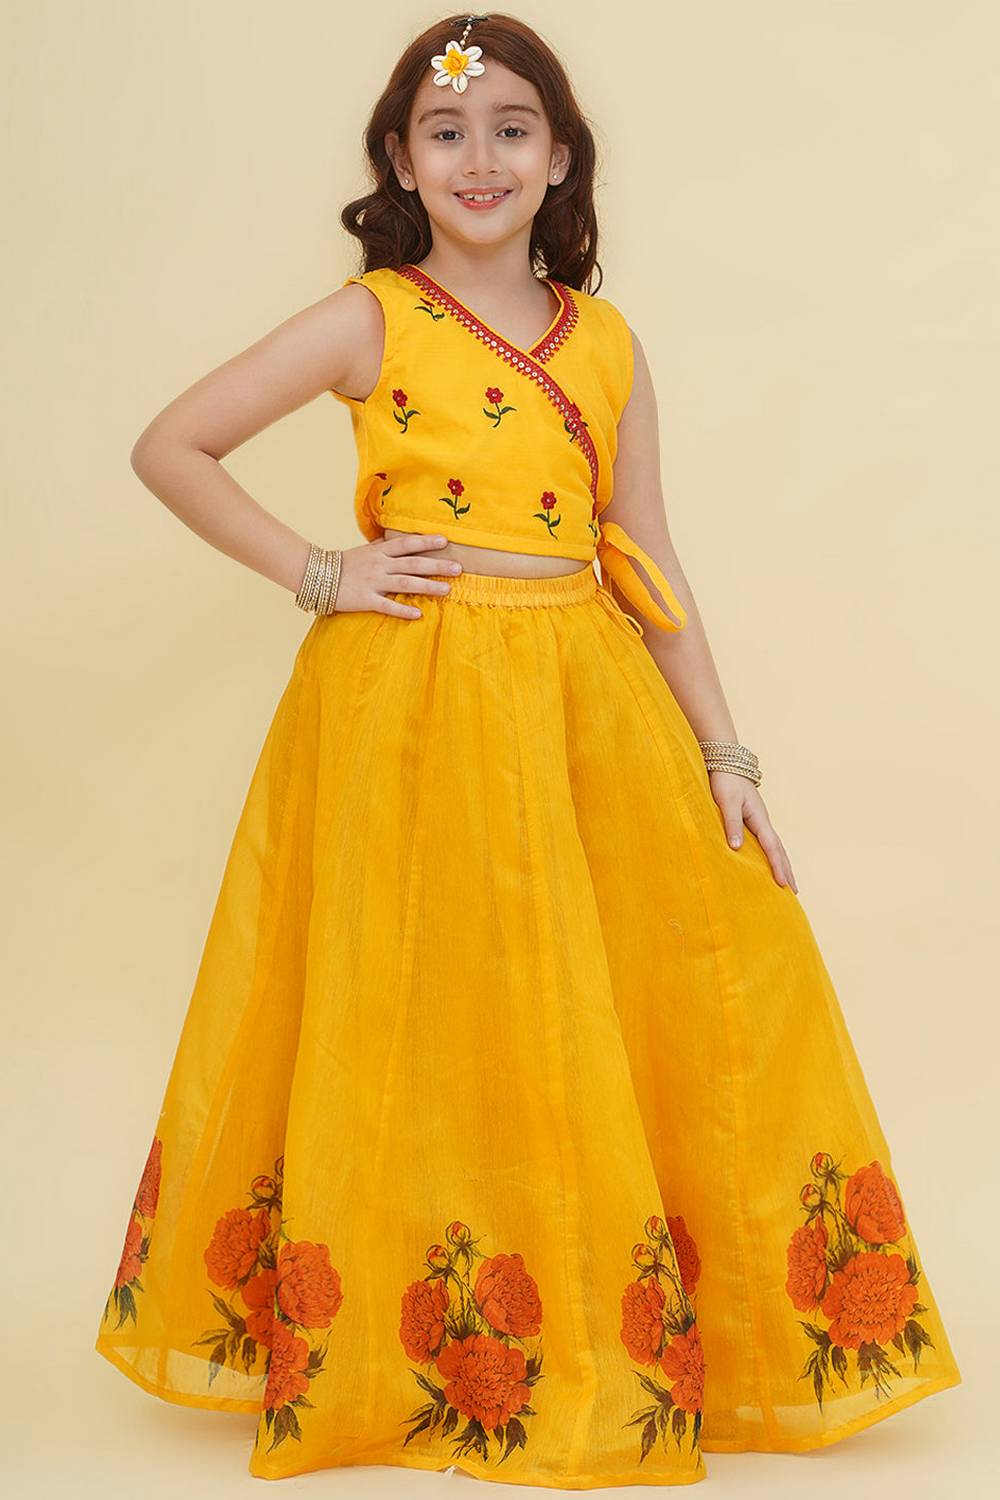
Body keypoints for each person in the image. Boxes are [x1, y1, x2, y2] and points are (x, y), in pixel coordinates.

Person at [94, 12, 962, 1489]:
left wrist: (728, 758)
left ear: (561, 158)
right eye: (447, 132)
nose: (479, 157)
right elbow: (171, 444)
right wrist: (322, 573)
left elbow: (647, 553)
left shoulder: (605, 341)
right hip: (408, 700)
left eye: (512, 128)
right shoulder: (370, 319)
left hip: (582, 699)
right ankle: (416, 1347)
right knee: (419, 1001)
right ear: (399, 160)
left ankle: (610, 1335)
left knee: (628, 992)